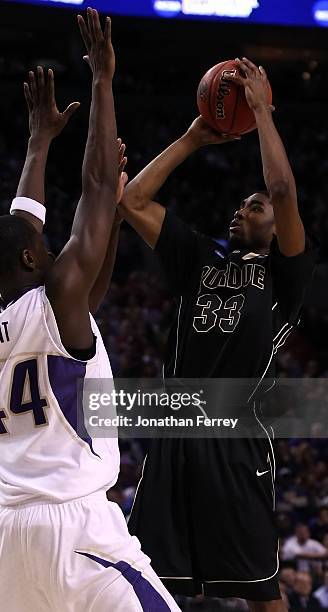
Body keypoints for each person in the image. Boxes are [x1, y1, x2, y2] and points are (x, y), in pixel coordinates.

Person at [0, 9, 180, 612]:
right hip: (76, 528)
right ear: (34, 257)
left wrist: (39, 142)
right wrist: (104, 80)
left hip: (6, 533)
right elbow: (88, 191)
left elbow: (26, 227)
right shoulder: (56, 296)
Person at [120, 58, 316, 611]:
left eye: (255, 207)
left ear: (278, 228)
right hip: (176, 428)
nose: (243, 207)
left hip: (235, 436)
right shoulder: (199, 255)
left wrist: (260, 110)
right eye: (242, 203)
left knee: (259, 591)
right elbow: (131, 200)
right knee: (148, 583)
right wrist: (190, 139)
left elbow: (280, 187)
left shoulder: (287, 276)